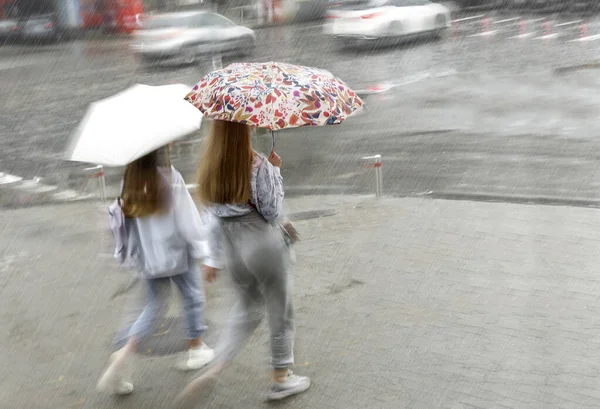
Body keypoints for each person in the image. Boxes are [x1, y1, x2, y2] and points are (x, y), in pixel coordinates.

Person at [176, 120, 310, 406]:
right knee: (280, 310)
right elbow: (272, 212)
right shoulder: (257, 164)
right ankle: (281, 379)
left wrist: (212, 258)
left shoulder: (211, 165)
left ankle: (217, 366)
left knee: (246, 309)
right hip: (262, 244)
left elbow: (210, 217)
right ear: (244, 130)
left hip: (232, 247)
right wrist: (275, 171)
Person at [97, 149, 215, 396]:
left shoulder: (130, 180)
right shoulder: (170, 176)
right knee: (193, 296)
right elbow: (187, 221)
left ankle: (124, 352)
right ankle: (196, 347)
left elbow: (129, 223)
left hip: (150, 258)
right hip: (178, 253)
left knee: (153, 306)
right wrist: (204, 248)